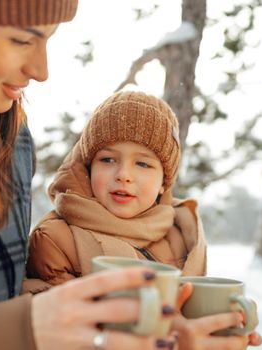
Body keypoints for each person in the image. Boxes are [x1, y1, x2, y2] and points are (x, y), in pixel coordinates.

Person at [0, 0, 262, 349]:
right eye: (23, 38)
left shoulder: (6, 139)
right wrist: (20, 327)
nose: (41, 70)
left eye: (48, 39)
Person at [26, 91, 208, 288]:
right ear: (89, 168)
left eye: (143, 164)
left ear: (164, 182)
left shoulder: (182, 236)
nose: (123, 175)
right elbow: (61, 314)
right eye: (108, 160)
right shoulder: (56, 239)